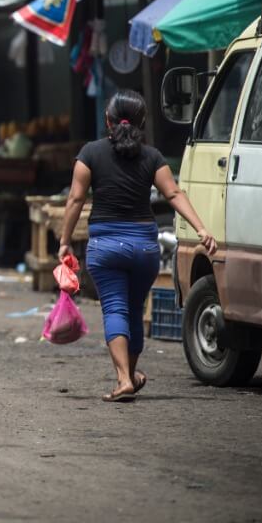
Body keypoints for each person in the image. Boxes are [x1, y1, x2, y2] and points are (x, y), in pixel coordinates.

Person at [58, 90, 216, 402]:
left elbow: (76, 199)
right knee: (132, 309)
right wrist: (201, 228)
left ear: (107, 120)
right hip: (144, 247)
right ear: (142, 122)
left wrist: (64, 242)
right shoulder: (152, 157)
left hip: (105, 247)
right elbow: (173, 194)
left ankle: (122, 380)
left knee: (114, 307)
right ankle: (130, 374)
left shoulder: (90, 153)